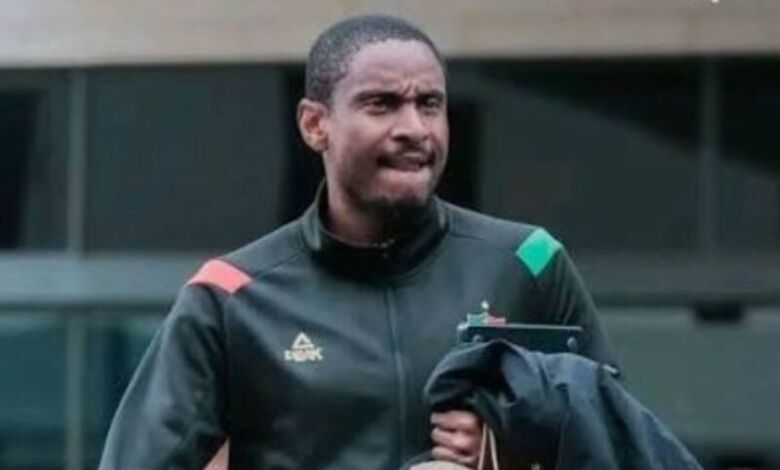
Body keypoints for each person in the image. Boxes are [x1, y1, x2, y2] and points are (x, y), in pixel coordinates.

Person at [99, 14, 617, 470]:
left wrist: (516, 449)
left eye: (429, 104)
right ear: (314, 125)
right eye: (381, 104)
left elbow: (620, 441)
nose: (413, 128)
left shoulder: (529, 264)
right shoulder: (230, 297)